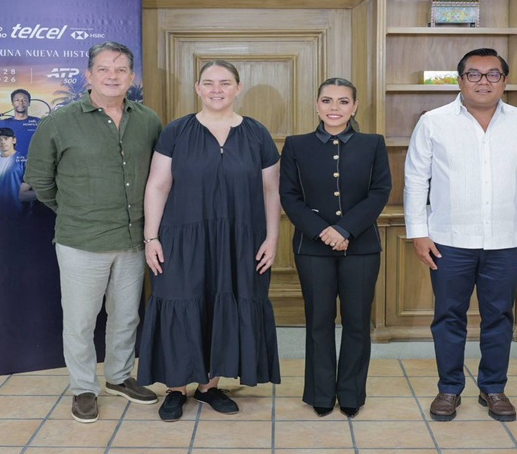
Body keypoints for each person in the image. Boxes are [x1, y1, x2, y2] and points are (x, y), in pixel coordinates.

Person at [404, 47, 517, 423]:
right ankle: (449, 390)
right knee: (449, 317)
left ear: (505, 80)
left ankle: (493, 388)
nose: (484, 81)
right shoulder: (433, 122)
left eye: (493, 74)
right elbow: (416, 179)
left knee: (499, 316)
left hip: (506, 239)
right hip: (448, 239)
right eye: (475, 74)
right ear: (460, 79)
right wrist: (419, 232)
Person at [24, 41, 162, 424]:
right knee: (82, 319)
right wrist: (75, 210)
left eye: (120, 70)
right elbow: (39, 179)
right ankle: (84, 387)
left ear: (131, 77)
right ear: (89, 76)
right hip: (80, 241)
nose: (112, 76)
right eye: (104, 69)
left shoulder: (149, 120)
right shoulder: (60, 122)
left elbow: (158, 178)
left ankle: (118, 377)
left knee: (126, 316)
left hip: (135, 240)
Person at [138, 59, 281, 422]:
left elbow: (270, 190)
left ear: (238, 87)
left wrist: (272, 238)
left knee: (223, 303)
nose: (217, 89)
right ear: (198, 88)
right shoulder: (176, 131)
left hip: (239, 239)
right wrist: (151, 237)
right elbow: (157, 184)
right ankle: (175, 388)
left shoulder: (257, 133)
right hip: (181, 237)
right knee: (180, 302)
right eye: (209, 82)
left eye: (225, 82)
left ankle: (208, 386)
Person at [279, 77, 391, 418]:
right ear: (317, 105)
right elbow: (290, 196)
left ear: (354, 107)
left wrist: (345, 229)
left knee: (357, 322)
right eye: (327, 101)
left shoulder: (372, 144)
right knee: (319, 321)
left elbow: (380, 191)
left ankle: (352, 393)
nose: (334, 108)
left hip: (361, 247)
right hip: (312, 248)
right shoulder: (297, 145)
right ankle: (321, 393)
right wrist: (322, 231)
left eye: (343, 102)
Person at [0, 127, 33, 220]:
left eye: (6, 138)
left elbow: (28, 187)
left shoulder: (25, 159)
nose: (2, 142)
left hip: (20, 213)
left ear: (13, 140)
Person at [0, 88, 40, 157]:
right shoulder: (1, 124)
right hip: (11, 166)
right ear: (12, 103)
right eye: (17, 100)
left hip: (34, 166)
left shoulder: (39, 122)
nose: (21, 103)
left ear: (29, 103)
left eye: (24, 100)